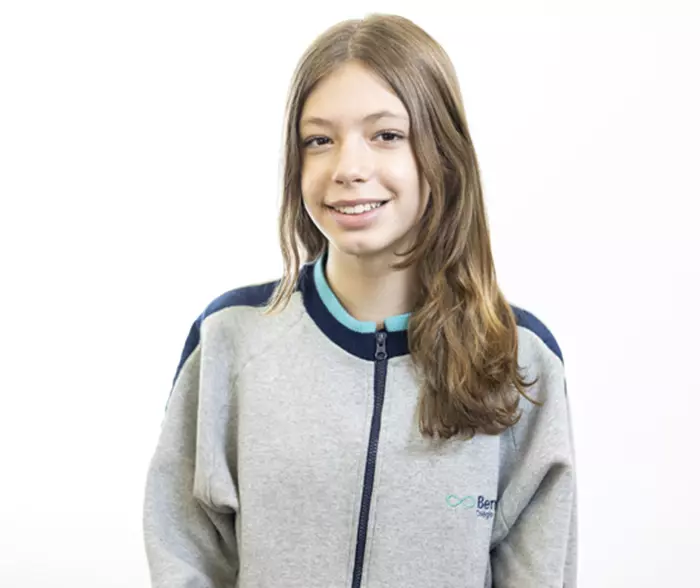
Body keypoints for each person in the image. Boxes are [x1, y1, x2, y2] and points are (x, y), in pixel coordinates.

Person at [142, 12, 577, 588]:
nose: (348, 168)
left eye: (386, 135)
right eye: (319, 140)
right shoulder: (231, 337)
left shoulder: (519, 359)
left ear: (443, 152)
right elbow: (186, 554)